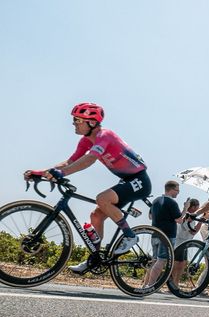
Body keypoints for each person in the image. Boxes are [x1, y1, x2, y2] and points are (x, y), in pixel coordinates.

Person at [26, 103, 151, 274]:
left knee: (102, 198)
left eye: (78, 120)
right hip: (126, 180)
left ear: (92, 122)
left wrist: (62, 173)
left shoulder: (105, 135)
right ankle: (95, 259)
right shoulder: (85, 141)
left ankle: (130, 236)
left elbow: (89, 160)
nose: (74, 123)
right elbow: (70, 162)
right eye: (74, 120)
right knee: (96, 215)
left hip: (140, 180)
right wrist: (42, 172)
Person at [144, 180, 188, 286]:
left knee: (154, 261)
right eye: (177, 190)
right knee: (161, 261)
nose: (178, 192)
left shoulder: (155, 200)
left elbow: (150, 216)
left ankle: (144, 285)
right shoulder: (172, 202)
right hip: (167, 236)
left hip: (155, 234)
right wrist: (185, 208)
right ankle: (150, 286)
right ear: (171, 189)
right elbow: (179, 220)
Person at [171, 198, 203, 285]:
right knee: (177, 264)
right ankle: (173, 283)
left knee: (182, 264)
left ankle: (175, 283)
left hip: (184, 243)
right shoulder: (187, 216)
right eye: (197, 207)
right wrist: (202, 220)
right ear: (193, 207)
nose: (198, 209)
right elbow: (193, 231)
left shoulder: (189, 216)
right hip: (180, 242)